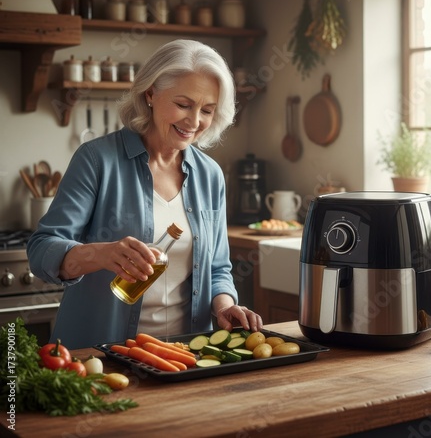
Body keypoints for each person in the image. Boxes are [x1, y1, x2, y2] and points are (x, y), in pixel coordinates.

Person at [27, 39, 263, 349]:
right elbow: (41, 250)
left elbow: (218, 268)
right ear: (150, 93)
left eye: (207, 110)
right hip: (101, 354)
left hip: (182, 355)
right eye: (183, 104)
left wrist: (223, 305)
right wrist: (102, 254)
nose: (194, 122)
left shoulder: (210, 175)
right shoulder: (97, 160)